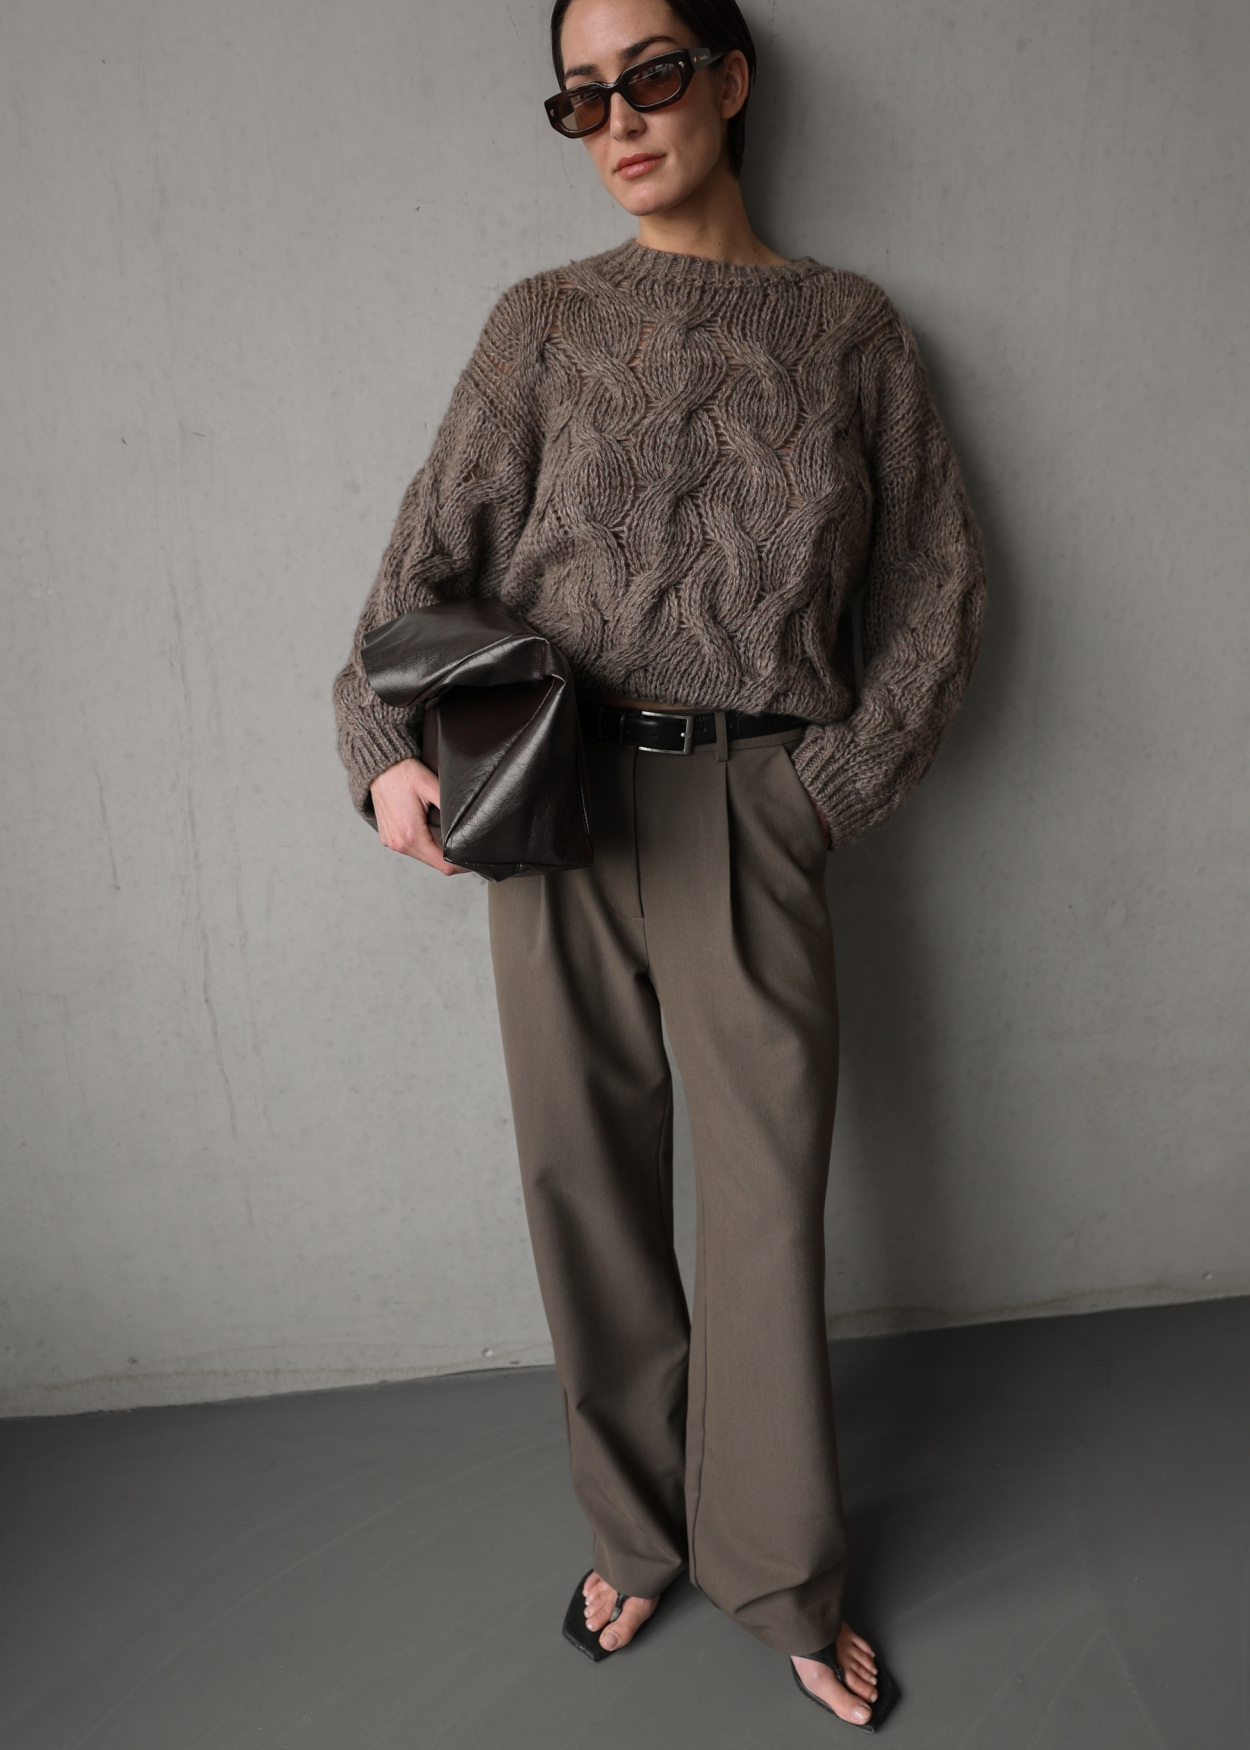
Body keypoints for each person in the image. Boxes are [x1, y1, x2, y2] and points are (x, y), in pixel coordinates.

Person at [333, 0, 985, 1728]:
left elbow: (937, 592)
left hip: (753, 800)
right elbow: (416, 571)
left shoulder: (850, 332)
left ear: (730, 78)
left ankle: (775, 1567)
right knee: (584, 1184)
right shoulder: (540, 326)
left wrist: (822, 790)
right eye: (581, 98)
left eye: (653, 75)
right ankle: (632, 1529)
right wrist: (383, 750)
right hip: (548, 803)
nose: (619, 119)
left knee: (762, 1207)